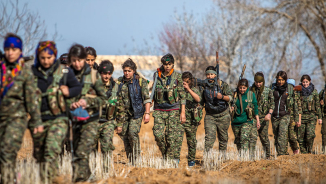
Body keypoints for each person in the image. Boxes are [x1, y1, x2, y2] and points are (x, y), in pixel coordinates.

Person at [30, 41, 82, 182]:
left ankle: (52, 179)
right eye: (43, 58)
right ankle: (46, 179)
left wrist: (69, 91)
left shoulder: (64, 72)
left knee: (51, 151)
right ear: (38, 57)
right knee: (40, 155)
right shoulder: (31, 73)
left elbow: (77, 88)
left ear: (54, 56)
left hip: (59, 118)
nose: (46, 61)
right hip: (38, 119)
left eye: (49, 57)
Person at [0, 33, 43, 184]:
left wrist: (37, 121)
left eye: (14, 49)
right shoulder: (1, 70)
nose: (10, 53)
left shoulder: (24, 72)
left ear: (20, 51)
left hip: (16, 119)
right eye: (7, 49)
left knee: (7, 151)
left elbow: (31, 99)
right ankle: (11, 178)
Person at [68, 44, 107, 182]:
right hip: (75, 120)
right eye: (74, 60)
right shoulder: (66, 76)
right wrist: (70, 104)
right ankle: (88, 178)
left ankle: (80, 179)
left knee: (82, 151)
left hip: (91, 120)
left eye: (80, 60)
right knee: (77, 153)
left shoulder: (94, 76)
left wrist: (87, 102)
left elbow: (103, 99)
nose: (77, 64)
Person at [151, 53, 186, 165]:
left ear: (172, 64)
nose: (167, 66)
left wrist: (183, 112)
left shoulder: (177, 76)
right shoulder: (156, 75)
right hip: (159, 110)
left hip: (173, 110)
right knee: (158, 135)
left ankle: (170, 161)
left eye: (169, 64)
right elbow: (153, 92)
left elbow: (182, 95)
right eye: (165, 64)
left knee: (171, 138)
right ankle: (166, 156)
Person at [115, 58, 151, 164]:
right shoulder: (120, 82)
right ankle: (131, 160)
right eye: (125, 71)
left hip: (137, 113)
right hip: (123, 114)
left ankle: (137, 159)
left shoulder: (140, 81)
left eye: (129, 71)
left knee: (132, 133)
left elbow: (146, 98)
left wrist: (147, 113)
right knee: (124, 136)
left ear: (133, 71)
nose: (127, 73)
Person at [202, 66, 232, 153]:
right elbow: (200, 101)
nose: (210, 76)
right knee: (209, 138)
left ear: (215, 75)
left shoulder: (223, 85)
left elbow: (230, 98)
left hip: (223, 115)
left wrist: (222, 97)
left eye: (211, 74)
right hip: (210, 116)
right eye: (208, 74)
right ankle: (207, 158)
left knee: (223, 138)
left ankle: (222, 157)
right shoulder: (204, 86)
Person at [271, 71, 301, 156]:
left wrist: (297, 119)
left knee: (282, 134)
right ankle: (281, 153)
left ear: (285, 80)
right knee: (276, 136)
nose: (280, 82)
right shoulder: (273, 88)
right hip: (275, 116)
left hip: (285, 115)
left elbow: (295, 104)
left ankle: (283, 154)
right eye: (278, 80)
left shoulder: (290, 89)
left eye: (282, 80)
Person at [94, 60, 118, 156]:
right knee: (92, 149)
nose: (107, 76)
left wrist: (119, 124)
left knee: (106, 146)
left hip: (108, 122)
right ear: (100, 73)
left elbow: (120, 106)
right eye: (104, 73)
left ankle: (106, 170)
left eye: (109, 73)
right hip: (94, 120)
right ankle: (93, 169)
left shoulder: (115, 87)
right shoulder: (93, 85)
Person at [249, 72, 274, 158]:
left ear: (263, 81)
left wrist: (269, 114)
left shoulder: (268, 91)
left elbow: (272, 104)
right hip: (252, 117)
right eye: (257, 82)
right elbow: (247, 104)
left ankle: (268, 156)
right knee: (252, 138)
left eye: (260, 82)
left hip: (264, 118)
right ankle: (251, 157)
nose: (258, 84)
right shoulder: (250, 91)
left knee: (264, 138)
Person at [232, 79, 260, 153]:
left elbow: (255, 107)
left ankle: (245, 156)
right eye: (240, 87)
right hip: (236, 121)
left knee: (244, 138)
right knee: (238, 141)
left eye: (244, 88)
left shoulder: (250, 95)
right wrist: (231, 108)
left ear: (247, 87)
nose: (242, 89)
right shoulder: (234, 95)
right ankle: (241, 157)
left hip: (247, 121)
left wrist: (257, 120)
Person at [181, 72, 202, 167]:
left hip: (192, 119)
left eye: (187, 81)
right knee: (176, 140)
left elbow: (198, 99)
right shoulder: (179, 90)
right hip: (180, 118)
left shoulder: (194, 90)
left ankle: (191, 160)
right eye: (184, 81)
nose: (185, 83)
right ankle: (175, 159)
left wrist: (188, 89)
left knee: (191, 141)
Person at [296, 75, 322, 154]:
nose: (305, 84)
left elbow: (317, 105)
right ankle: (304, 153)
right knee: (300, 137)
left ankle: (309, 150)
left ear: (309, 81)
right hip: (301, 116)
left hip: (311, 116)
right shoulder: (298, 91)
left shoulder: (314, 91)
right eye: (303, 82)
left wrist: (319, 117)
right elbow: (296, 105)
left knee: (310, 135)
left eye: (306, 82)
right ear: (301, 82)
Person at [286, 79, 300, 154]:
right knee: (284, 136)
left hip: (292, 118)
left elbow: (297, 109)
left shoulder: (295, 96)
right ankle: (284, 152)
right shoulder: (284, 94)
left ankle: (295, 149)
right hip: (284, 117)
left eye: (291, 86)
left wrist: (297, 119)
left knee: (292, 135)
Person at [319, 84, 326, 153]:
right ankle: (324, 150)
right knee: (324, 133)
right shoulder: (322, 93)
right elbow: (317, 103)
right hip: (325, 116)